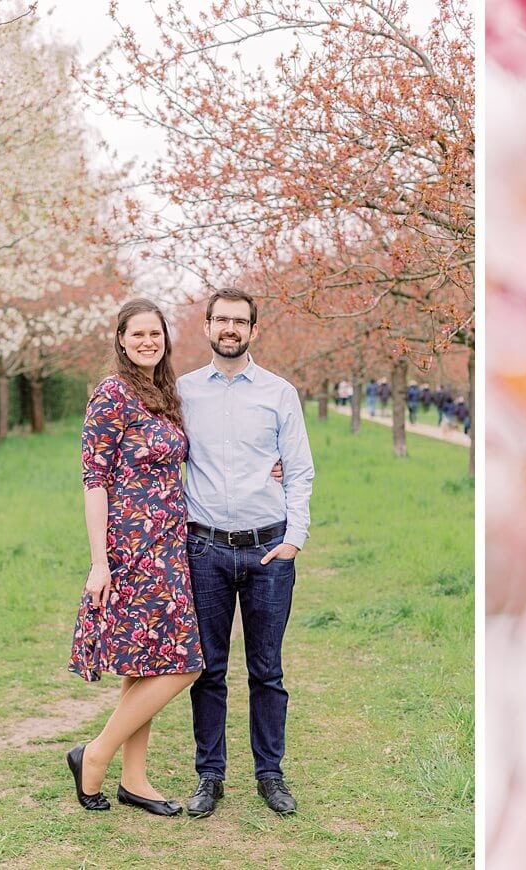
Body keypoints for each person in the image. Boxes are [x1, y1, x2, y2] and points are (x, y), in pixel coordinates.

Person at [178, 288, 315, 818]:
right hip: (205, 548)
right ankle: (209, 776)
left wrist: (294, 539)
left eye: (240, 321)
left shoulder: (280, 393)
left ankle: (270, 773)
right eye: (221, 320)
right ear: (207, 326)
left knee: (267, 671)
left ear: (253, 330)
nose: (230, 329)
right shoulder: (183, 391)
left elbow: (298, 468)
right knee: (209, 670)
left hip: (268, 550)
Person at [66, 299, 203, 817]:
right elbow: (94, 480)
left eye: (155, 333)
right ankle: (95, 755)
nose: (148, 341)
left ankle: (135, 778)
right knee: (184, 664)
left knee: (146, 662)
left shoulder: (164, 393)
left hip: (169, 545)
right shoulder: (112, 394)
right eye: (137, 334)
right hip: (130, 549)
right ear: (121, 340)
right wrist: (99, 561)